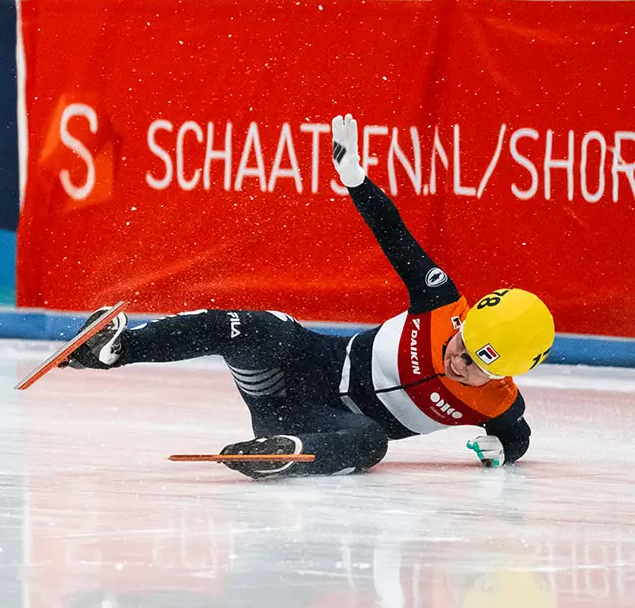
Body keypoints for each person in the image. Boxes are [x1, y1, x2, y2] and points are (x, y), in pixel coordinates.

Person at [59, 114, 553, 480]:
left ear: (502, 373)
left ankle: (289, 453)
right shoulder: (441, 303)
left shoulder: (497, 401)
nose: (457, 357)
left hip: (314, 421)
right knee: (261, 327)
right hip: (304, 362)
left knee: (371, 442)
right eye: (463, 342)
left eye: (475, 364)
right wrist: (356, 180)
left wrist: (501, 452)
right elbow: (395, 235)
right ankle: (118, 347)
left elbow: (518, 437)